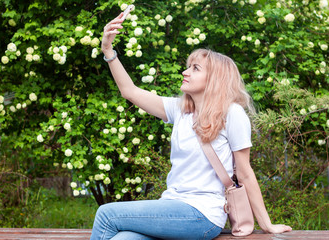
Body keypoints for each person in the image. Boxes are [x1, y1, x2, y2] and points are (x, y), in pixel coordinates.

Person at [90, 12, 292, 240]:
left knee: (106, 214)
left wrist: (268, 225)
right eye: (188, 67)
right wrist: (108, 51)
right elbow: (130, 91)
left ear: (215, 78)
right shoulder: (180, 110)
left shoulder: (232, 114)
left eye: (195, 68)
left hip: (201, 214)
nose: (185, 72)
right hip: (170, 208)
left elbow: (245, 173)